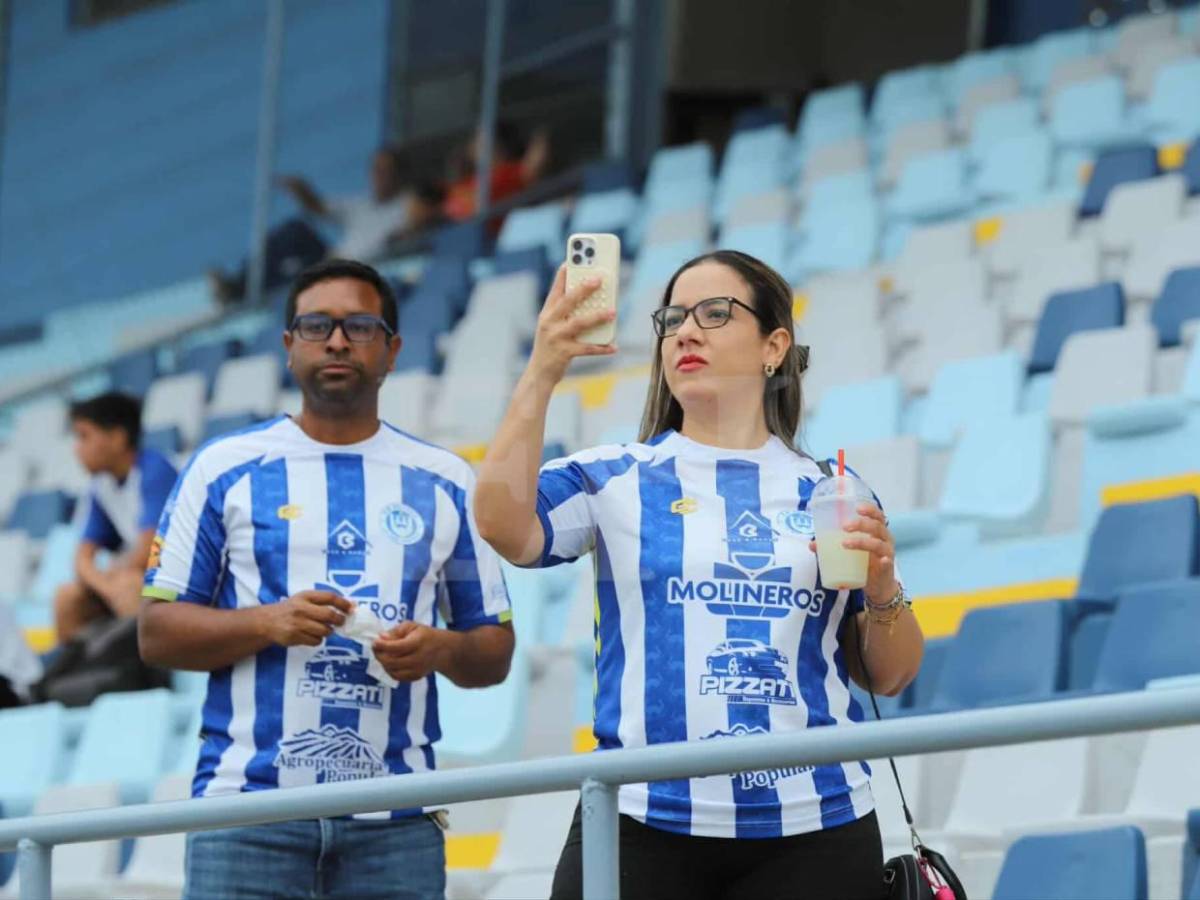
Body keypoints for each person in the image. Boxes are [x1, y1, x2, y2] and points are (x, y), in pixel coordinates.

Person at [475, 251, 924, 900]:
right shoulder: (612, 476)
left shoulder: (832, 488)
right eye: (673, 318)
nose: (686, 331)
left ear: (774, 347)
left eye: (715, 313)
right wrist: (546, 365)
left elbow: (891, 674)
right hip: (639, 823)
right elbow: (501, 525)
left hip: (818, 828)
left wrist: (882, 590)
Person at [139, 258, 514, 900]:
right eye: (317, 326)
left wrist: (441, 649)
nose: (337, 341)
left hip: (396, 822)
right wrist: (268, 622)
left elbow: (494, 651)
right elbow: (156, 634)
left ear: (392, 350)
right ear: (289, 346)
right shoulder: (222, 469)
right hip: (245, 813)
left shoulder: (446, 479)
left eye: (360, 327)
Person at [208, 149, 441, 304]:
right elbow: (318, 208)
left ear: (398, 175)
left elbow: (421, 222)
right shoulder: (363, 205)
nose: (378, 176)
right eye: (375, 170)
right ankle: (240, 285)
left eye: (385, 171)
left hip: (359, 272)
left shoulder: (407, 204)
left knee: (299, 278)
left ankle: (239, 291)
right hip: (331, 260)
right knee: (296, 231)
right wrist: (301, 189)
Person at [54, 392, 178, 643]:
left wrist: (115, 579)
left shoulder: (155, 470)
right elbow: (82, 560)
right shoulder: (101, 487)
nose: (77, 448)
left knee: (129, 586)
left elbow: (150, 552)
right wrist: (106, 587)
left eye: (84, 436)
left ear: (117, 438)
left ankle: (146, 665)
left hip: (179, 582)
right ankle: (78, 667)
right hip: (135, 577)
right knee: (67, 597)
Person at [443, 122, 549, 222]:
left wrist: (540, 137)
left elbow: (533, 166)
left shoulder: (508, 171)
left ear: (501, 147)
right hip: (459, 230)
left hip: (495, 232)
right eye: (477, 139)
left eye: (484, 140)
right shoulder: (466, 181)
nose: (477, 145)